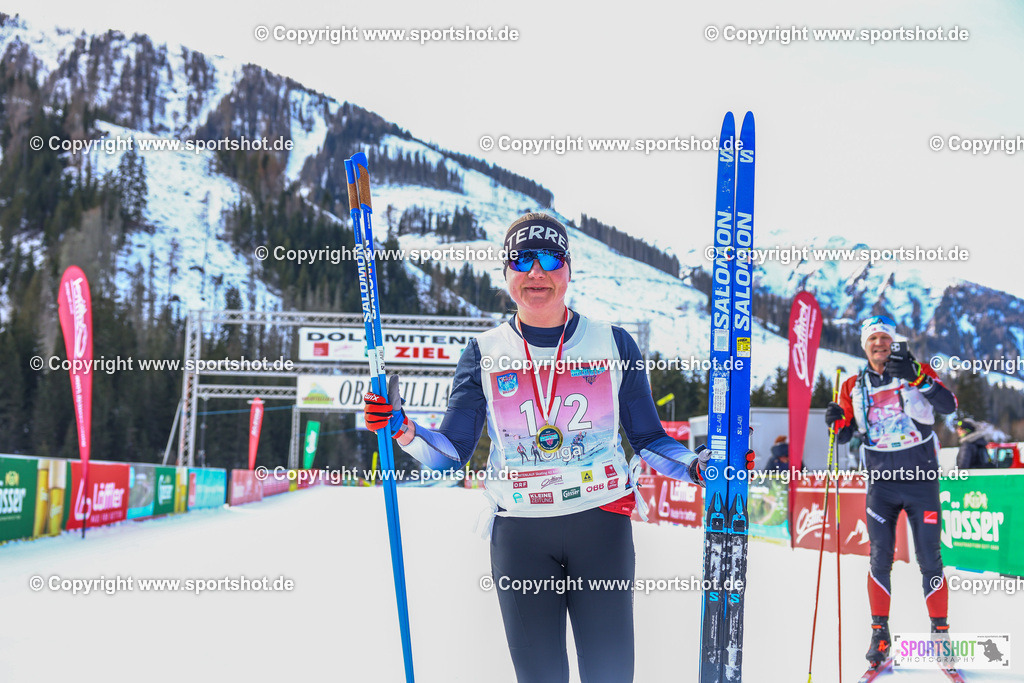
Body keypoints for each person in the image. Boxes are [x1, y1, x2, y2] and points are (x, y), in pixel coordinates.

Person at [363, 212, 751, 683]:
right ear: (506, 272)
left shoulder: (613, 343)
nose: (536, 272)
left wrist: (696, 466)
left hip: (601, 528)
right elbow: (451, 454)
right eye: (522, 259)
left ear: (569, 269)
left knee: (609, 676)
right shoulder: (484, 351)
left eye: (550, 258)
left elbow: (648, 441)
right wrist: (402, 429)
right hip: (520, 535)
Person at [823, 316, 957, 668]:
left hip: (921, 482)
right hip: (881, 485)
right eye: (873, 339)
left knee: (930, 559)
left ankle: (940, 635)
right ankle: (879, 634)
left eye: (885, 338)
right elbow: (845, 433)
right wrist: (835, 419)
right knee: (880, 559)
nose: (880, 344)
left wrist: (918, 377)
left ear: (893, 342)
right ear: (864, 346)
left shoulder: (918, 369)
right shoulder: (853, 384)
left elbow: (949, 406)